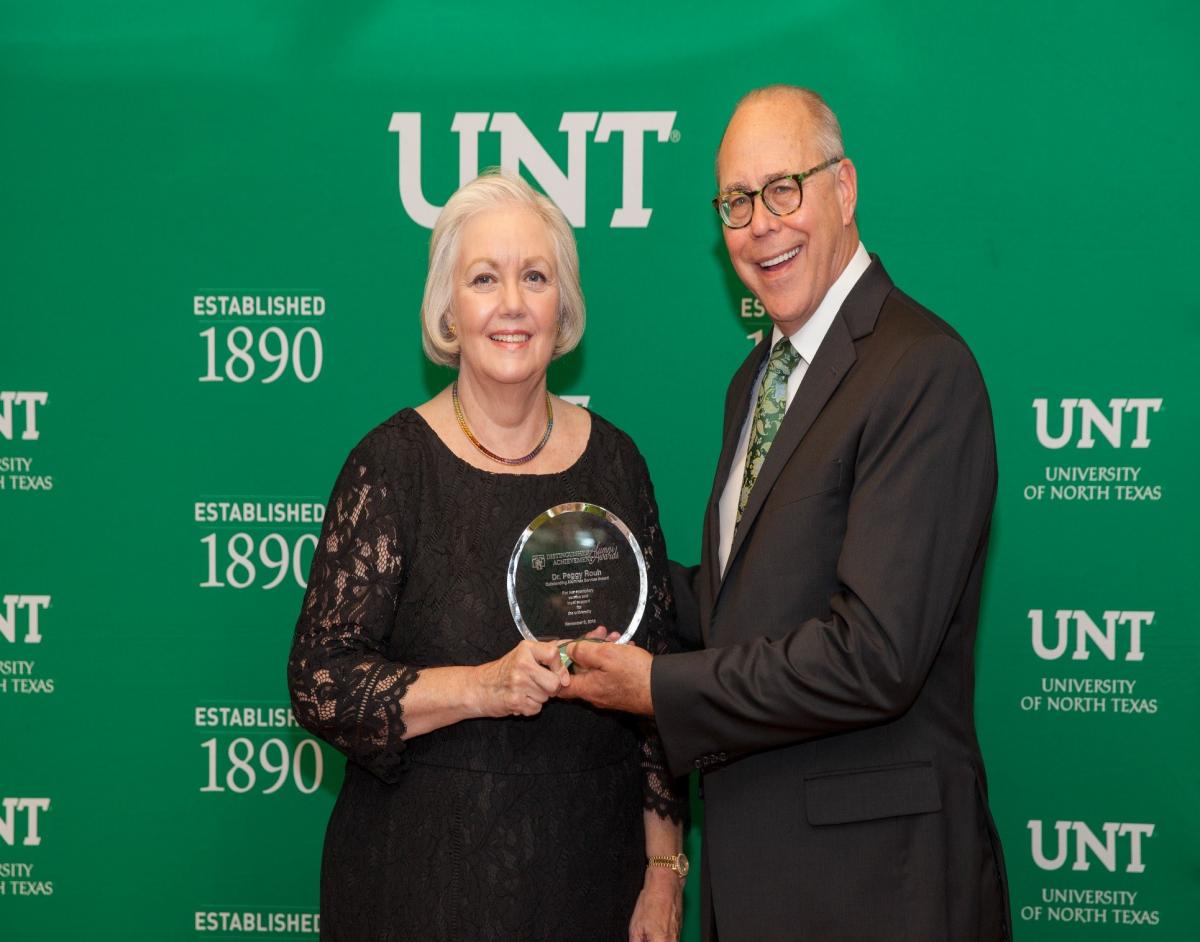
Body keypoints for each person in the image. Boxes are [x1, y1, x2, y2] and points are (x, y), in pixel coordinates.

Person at [560, 85, 1011, 941]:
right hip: (762, 879)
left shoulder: (921, 371)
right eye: (735, 201)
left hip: (878, 891)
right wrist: (602, 581)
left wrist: (656, 687)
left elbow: (875, 656)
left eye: (782, 189)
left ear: (844, 189)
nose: (759, 223)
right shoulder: (757, 380)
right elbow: (748, 605)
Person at [288, 169, 686, 942]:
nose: (511, 303)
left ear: (562, 306)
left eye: (534, 277)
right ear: (448, 310)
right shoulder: (391, 466)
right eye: (484, 278)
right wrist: (484, 686)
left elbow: (659, 685)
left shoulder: (617, 465)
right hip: (418, 882)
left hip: (593, 881)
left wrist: (664, 875)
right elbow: (320, 681)